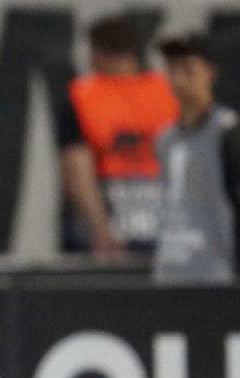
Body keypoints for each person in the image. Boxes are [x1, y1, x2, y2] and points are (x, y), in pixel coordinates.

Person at [154, 34, 240, 283]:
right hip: (172, 273)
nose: (179, 80)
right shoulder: (165, 139)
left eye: (188, 70)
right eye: (172, 70)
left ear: (210, 72)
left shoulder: (228, 132)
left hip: (219, 277)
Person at [58, 15, 179, 255]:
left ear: (98, 51)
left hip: (105, 229)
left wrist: (100, 229)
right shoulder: (169, 93)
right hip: (166, 226)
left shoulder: (83, 96)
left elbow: (76, 167)